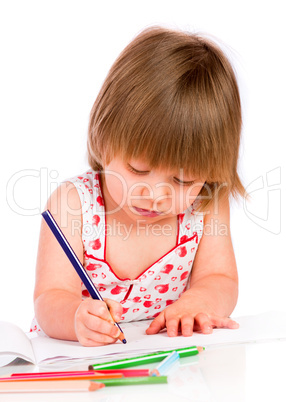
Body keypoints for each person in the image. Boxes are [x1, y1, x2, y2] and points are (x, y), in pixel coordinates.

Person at [32, 26, 244, 346]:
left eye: (183, 180)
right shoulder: (72, 204)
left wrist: (200, 303)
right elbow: (50, 297)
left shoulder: (205, 203)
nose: (156, 195)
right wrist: (76, 318)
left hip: (166, 368)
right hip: (81, 369)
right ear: (104, 139)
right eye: (138, 170)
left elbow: (220, 278)